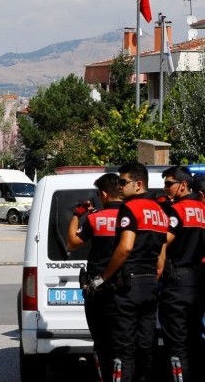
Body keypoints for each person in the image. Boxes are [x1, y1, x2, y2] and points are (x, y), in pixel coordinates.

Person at [94, 163, 168, 382]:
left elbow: (125, 247)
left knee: (123, 350)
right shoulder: (160, 211)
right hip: (150, 285)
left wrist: (104, 277)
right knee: (145, 346)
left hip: (128, 286)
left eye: (123, 182)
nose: (119, 186)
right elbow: (161, 258)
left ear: (138, 184)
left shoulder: (130, 208)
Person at [66, 173, 122, 382]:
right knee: (125, 343)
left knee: (102, 341)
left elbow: (72, 243)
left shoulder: (95, 218)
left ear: (104, 194)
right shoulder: (132, 215)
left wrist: (76, 215)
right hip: (127, 288)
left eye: (99, 194)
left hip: (98, 288)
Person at [157, 166, 205, 382]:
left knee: (177, 345)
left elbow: (162, 242)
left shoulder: (177, 210)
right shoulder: (202, 209)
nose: (165, 188)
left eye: (169, 184)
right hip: (198, 282)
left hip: (177, 283)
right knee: (194, 340)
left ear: (183, 185)